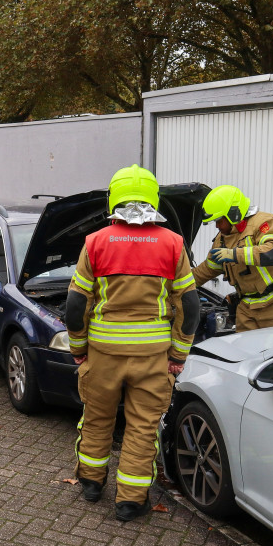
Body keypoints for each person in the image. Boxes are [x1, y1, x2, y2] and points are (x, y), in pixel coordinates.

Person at [65, 165, 200, 521]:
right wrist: (178, 353)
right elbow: (188, 304)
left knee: (96, 418)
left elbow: (77, 303)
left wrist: (79, 348)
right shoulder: (172, 243)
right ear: (154, 198)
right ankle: (129, 501)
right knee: (141, 427)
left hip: (103, 353)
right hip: (153, 357)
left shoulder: (95, 242)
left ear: (114, 197)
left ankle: (92, 483)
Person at [191, 185, 273, 331]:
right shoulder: (221, 240)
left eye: (219, 220)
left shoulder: (264, 223)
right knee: (245, 351)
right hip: (247, 310)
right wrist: (177, 285)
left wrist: (235, 254)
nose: (217, 226)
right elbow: (207, 270)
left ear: (233, 213)